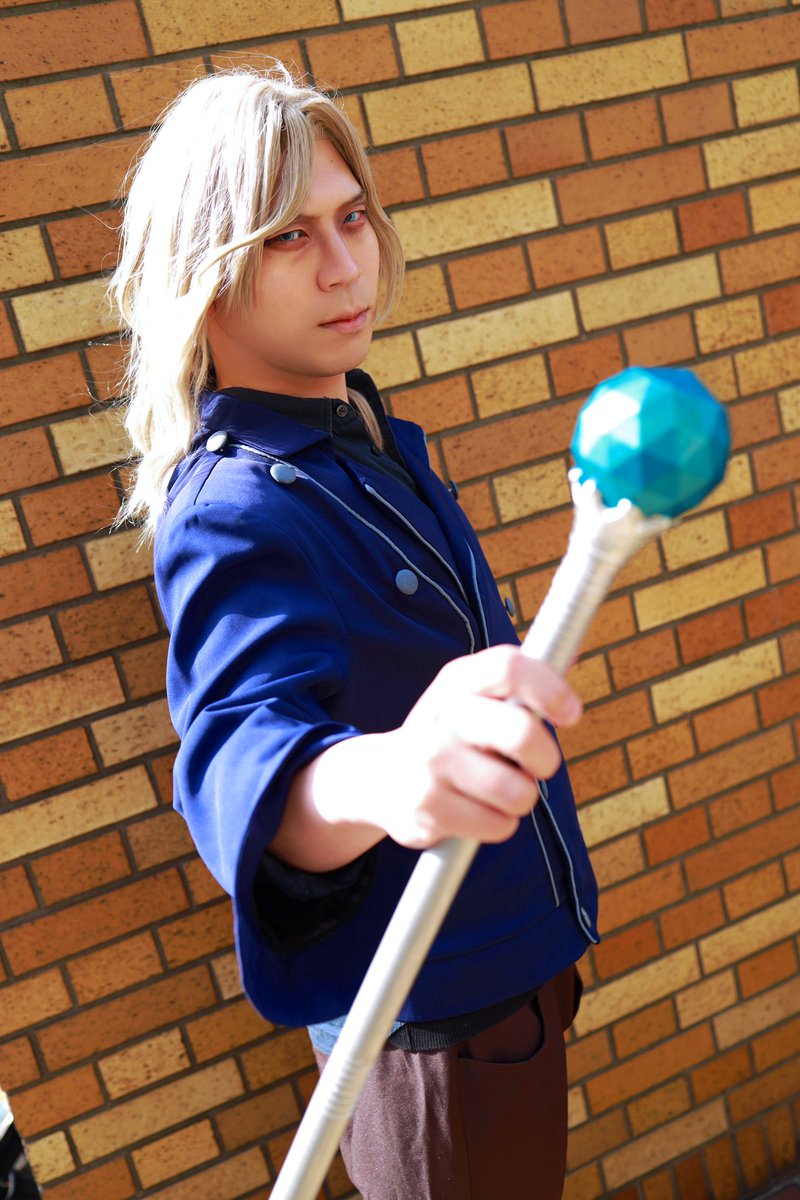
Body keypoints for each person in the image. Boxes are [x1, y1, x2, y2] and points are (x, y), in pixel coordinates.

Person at [110, 64, 599, 1200]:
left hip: (504, 976)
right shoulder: (235, 505)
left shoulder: (353, 438)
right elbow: (240, 753)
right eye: (287, 237)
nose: (345, 264)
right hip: (429, 1034)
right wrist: (387, 774)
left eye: (352, 217)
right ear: (205, 275)